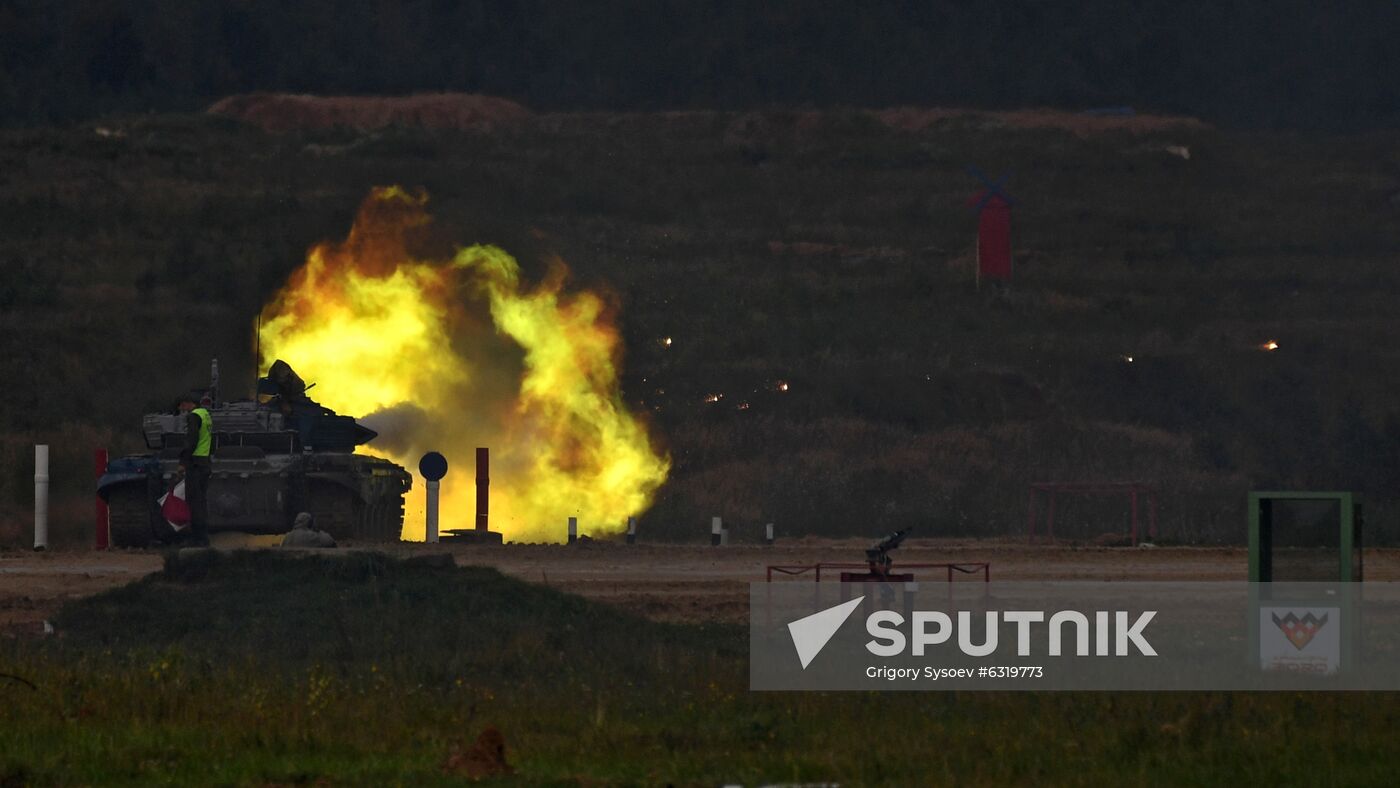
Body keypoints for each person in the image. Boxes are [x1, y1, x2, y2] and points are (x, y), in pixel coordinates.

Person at [176, 393, 213, 546]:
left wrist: (183, 461)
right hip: (205, 462)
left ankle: (198, 538)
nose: (180, 409)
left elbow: (191, 440)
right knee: (201, 501)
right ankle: (202, 536)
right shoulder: (205, 415)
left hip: (195, 463)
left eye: (181, 405)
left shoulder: (194, 417)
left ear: (188, 403)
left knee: (194, 502)